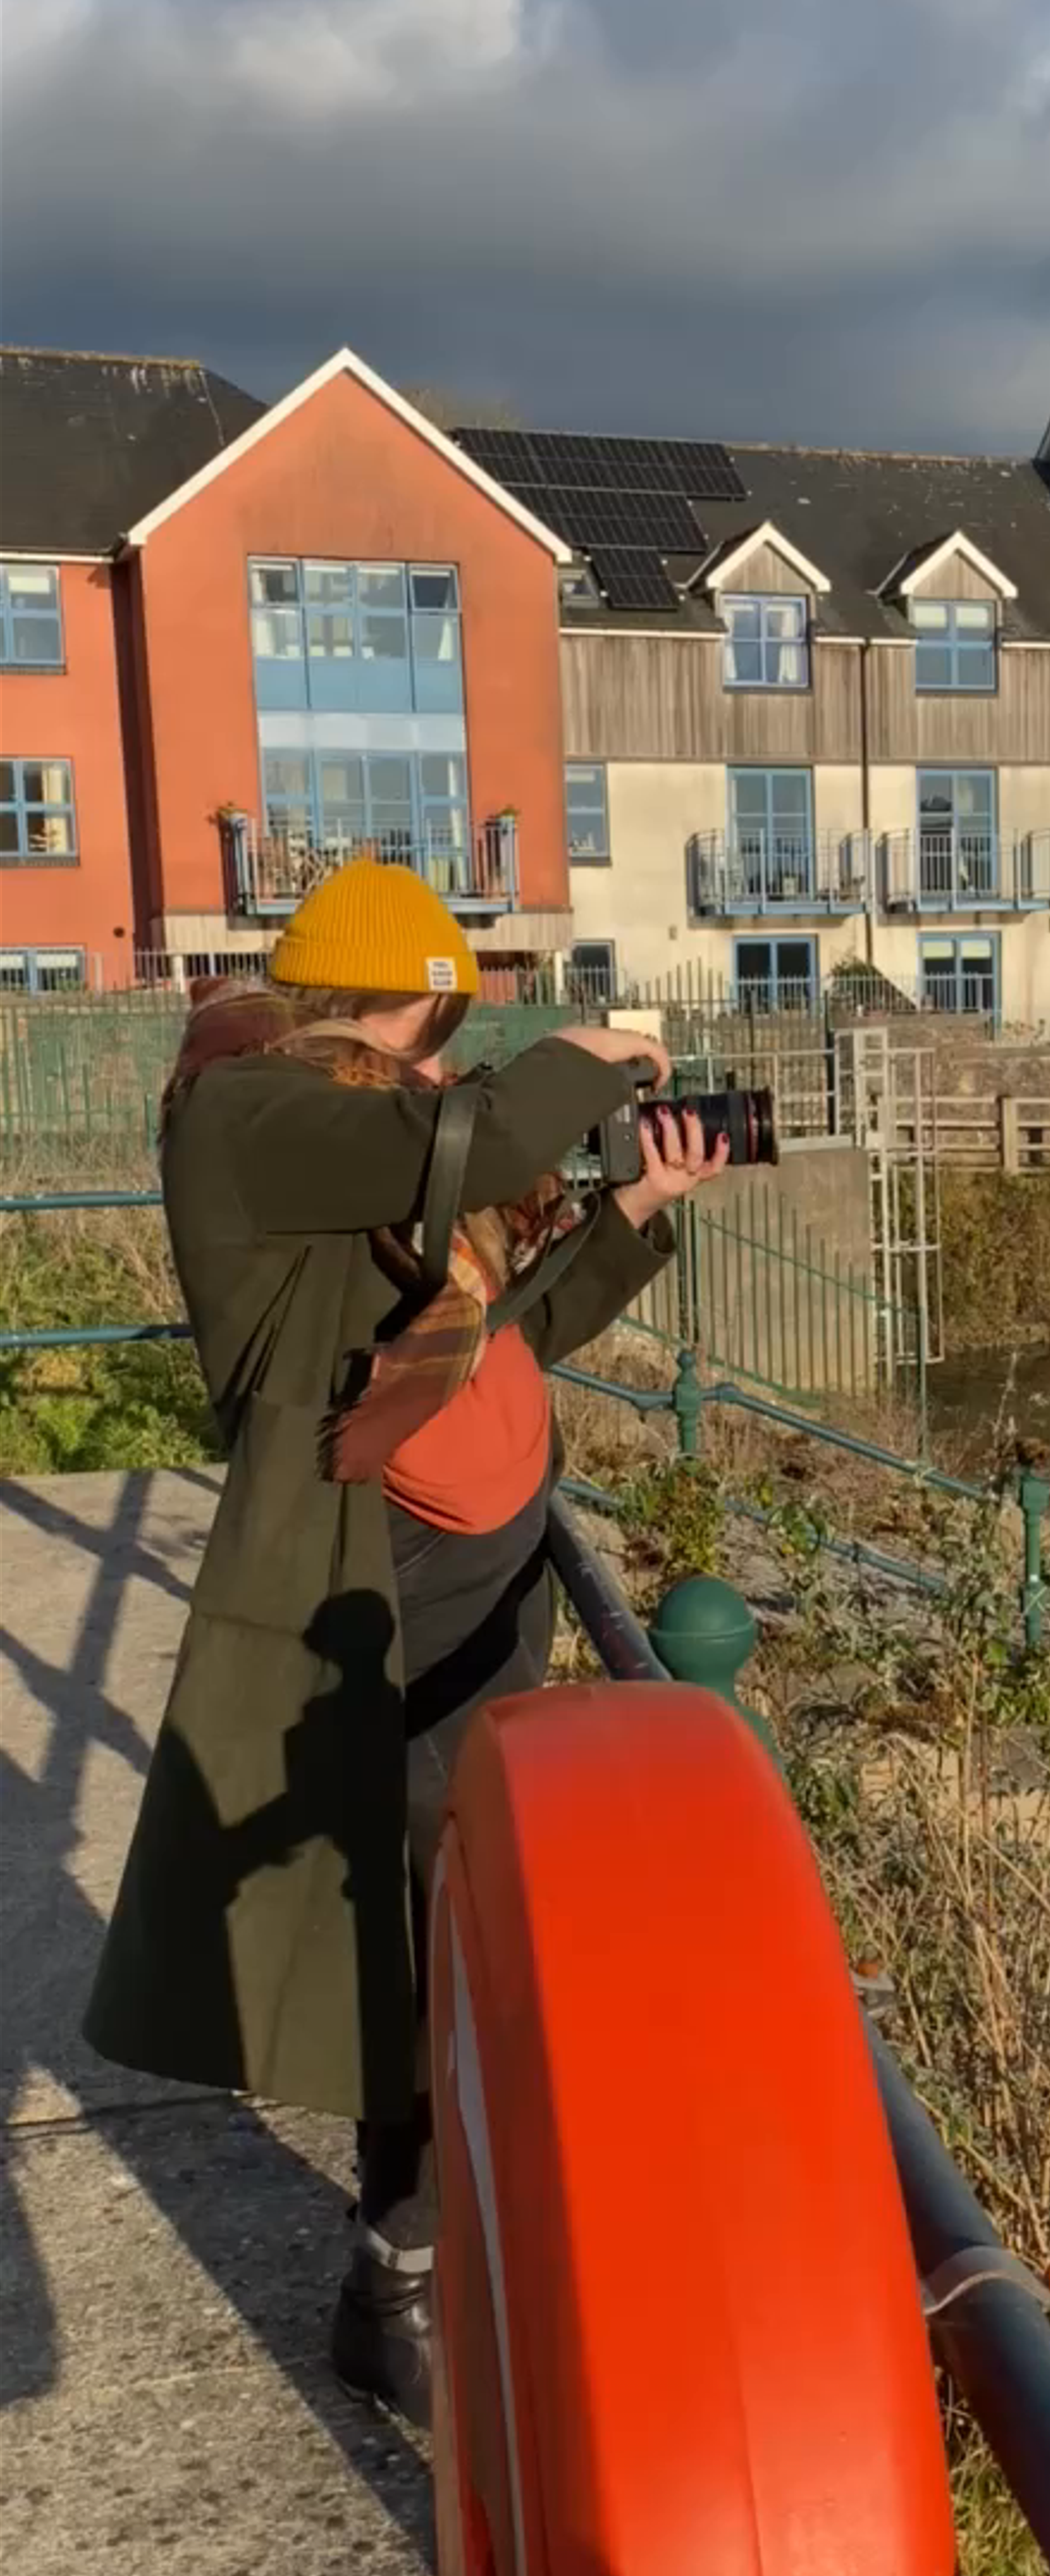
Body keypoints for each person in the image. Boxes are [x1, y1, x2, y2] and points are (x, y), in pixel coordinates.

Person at [84, 860, 727, 2422]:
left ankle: (451, 2239)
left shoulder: (379, 1138)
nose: (443, 1062)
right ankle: (400, 2273)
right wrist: (605, 1048)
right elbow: (486, 1130)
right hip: (386, 1582)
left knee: (480, 1923)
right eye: (435, 1024)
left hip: (489, 1568)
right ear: (390, 1006)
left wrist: (639, 1204)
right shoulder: (253, 1111)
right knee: (429, 1943)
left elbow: (517, 1334)